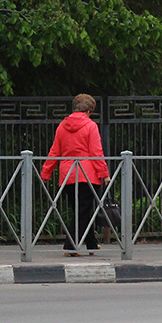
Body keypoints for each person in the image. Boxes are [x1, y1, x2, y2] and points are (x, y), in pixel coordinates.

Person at [41, 93, 109, 256]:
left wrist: (46, 171)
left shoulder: (62, 126)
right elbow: (96, 152)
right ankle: (70, 246)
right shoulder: (91, 126)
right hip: (87, 174)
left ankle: (91, 243)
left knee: (80, 210)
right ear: (88, 111)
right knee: (83, 211)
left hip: (67, 176)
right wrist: (104, 173)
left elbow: (55, 151)